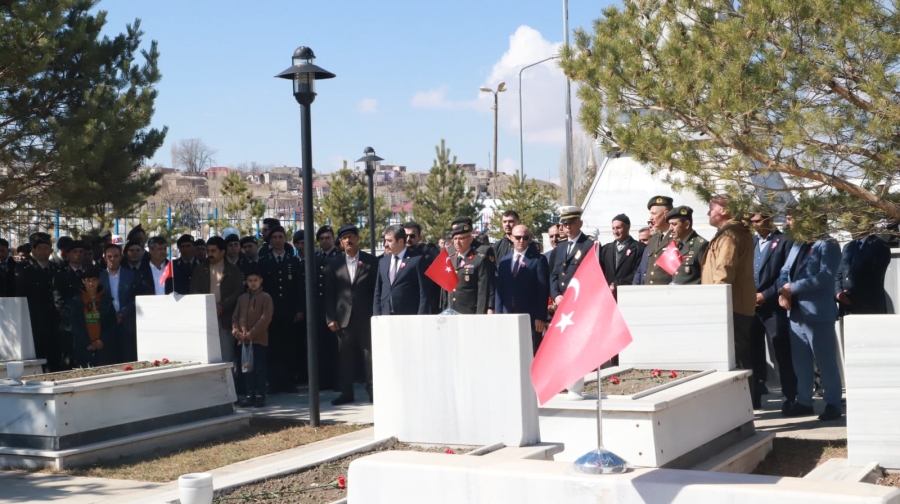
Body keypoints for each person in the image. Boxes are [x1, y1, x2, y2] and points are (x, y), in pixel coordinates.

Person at [778, 211, 843, 421]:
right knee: (801, 362)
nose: (788, 221)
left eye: (791, 218)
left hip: (817, 312)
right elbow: (784, 271)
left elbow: (825, 277)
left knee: (825, 361)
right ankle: (804, 401)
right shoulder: (797, 244)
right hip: (795, 312)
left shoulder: (828, 244)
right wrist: (782, 292)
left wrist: (792, 288)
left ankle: (833, 402)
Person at [701, 195, 756, 380]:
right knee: (739, 355)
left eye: (711, 208)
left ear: (723, 210)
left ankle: (745, 403)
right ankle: (748, 401)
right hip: (734, 305)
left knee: (737, 358)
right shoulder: (731, 232)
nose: (708, 213)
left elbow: (724, 272)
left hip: (731, 307)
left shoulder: (730, 235)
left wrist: (715, 305)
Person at [325, 225, 379, 405]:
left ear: (357, 238)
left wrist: (376, 314)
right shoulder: (335, 264)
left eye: (351, 237)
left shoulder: (371, 261)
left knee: (369, 355)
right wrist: (330, 317)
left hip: (366, 317)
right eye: (344, 238)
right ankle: (346, 392)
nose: (348, 240)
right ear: (340, 242)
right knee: (345, 356)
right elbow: (330, 293)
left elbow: (376, 290)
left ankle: (373, 391)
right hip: (343, 318)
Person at [750, 211, 796, 412]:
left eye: (758, 221)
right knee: (753, 353)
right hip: (751, 306)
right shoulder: (751, 242)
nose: (755, 225)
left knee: (781, 352)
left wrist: (766, 295)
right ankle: (754, 396)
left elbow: (785, 273)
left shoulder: (784, 241)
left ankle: (789, 396)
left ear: (768, 220)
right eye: (752, 222)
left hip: (772, 305)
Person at [258, 226, 305, 392]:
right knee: (272, 347)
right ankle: (274, 382)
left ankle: (288, 382)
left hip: (289, 311)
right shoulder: (264, 261)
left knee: (289, 347)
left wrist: (300, 309)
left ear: (285, 239)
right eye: (274, 237)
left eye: (280, 237)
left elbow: (300, 287)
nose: (278, 240)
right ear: (270, 241)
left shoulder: (293, 262)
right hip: (270, 312)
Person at [190, 236, 245, 365]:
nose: (210, 254)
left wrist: (222, 306)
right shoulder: (200, 269)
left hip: (226, 317)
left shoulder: (232, 269)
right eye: (208, 251)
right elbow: (194, 290)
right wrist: (210, 306)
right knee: (207, 356)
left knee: (227, 355)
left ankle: (229, 384)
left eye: (213, 251)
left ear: (222, 252)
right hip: (206, 316)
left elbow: (238, 291)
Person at [495, 225, 549, 354]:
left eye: (525, 238)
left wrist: (540, 317)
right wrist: (498, 315)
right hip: (508, 314)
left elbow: (543, 290)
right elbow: (500, 290)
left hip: (530, 316)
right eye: (518, 237)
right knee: (509, 349)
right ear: (511, 238)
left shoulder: (538, 260)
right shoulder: (504, 261)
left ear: (529, 238)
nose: (521, 241)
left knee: (530, 350)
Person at [16, 233, 61, 370]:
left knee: (55, 356)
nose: (43, 251)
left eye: (46, 247)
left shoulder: (57, 269)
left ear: (51, 250)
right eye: (39, 248)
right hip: (35, 321)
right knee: (38, 356)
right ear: (33, 251)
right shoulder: (25, 271)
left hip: (55, 321)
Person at [232, 266, 273, 408]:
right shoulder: (242, 298)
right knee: (246, 368)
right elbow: (235, 317)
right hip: (243, 341)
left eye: (256, 280)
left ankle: (260, 395)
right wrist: (237, 333)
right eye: (250, 281)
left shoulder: (266, 297)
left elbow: (265, 318)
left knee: (259, 368)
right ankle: (250, 395)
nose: (253, 283)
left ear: (261, 281)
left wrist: (252, 333)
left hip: (259, 340)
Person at [68, 266, 117, 368]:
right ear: (83, 281)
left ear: (99, 281)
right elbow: (74, 325)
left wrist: (104, 340)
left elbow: (112, 324)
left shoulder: (106, 300)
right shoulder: (76, 301)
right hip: (83, 349)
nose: (91, 283)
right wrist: (86, 343)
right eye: (88, 280)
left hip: (103, 349)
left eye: (94, 280)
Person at [374, 225, 428, 315]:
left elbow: (424, 294)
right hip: (386, 316)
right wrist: (377, 315)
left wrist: (420, 318)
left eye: (390, 241)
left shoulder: (416, 260)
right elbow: (378, 292)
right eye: (385, 240)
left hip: (408, 317)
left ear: (401, 241)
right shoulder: (383, 262)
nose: (386, 244)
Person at [445, 220, 496, 314]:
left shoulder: (479, 260)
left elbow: (483, 292)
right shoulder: (450, 259)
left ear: (470, 239)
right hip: (452, 311)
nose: (457, 242)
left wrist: (480, 315)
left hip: (469, 312)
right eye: (455, 239)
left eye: (461, 238)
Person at [550, 206, 596, 306]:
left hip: (580, 302)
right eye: (565, 224)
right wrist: (556, 295)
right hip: (561, 302)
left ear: (580, 223)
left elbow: (592, 276)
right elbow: (554, 274)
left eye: (571, 223)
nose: (568, 227)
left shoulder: (589, 245)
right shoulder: (561, 246)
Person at [835, 231, 891, 315]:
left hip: (868, 306)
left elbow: (876, 277)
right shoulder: (848, 246)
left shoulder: (880, 246)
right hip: (846, 306)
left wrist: (851, 293)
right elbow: (838, 273)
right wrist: (838, 293)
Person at [99, 244, 138, 363]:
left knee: (128, 358)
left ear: (121, 257)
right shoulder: (99, 277)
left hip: (127, 323)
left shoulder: (131, 275)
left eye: (116, 256)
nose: (112, 259)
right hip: (106, 324)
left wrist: (122, 314)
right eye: (109, 256)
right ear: (105, 258)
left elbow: (135, 298)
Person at [53, 240, 88, 370]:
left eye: (81, 252)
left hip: (89, 321)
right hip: (69, 324)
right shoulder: (60, 274)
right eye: (74, 252)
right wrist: (71, 316)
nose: (78, 254)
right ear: (67, 254)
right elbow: (58, 300)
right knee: (68, 358)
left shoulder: (90, 273)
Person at [633, 196, 674, 285]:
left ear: (666, 214)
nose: (650, 218)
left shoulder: (675, 239)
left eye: (654, 214)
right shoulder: (654, 239)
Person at [600, 214, 645, 293]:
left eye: (618, 228)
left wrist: (617, 284)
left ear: (628, 227)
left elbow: (637, 272)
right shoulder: (606, 249)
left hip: (628, 293)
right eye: (613, 228)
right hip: (609, 296)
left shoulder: (639, 248)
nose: (615, 231)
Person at [404, 220, 442, 314]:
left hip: (428, 300)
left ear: (419, 237)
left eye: (412, 236)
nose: (408, 239)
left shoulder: (428, 250)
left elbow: (439, 266)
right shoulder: (400, 255)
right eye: (406, 236)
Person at [664, 206, 707, 285]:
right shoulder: (677, 245)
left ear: (687, 224)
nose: (670, 228)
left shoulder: (700, 245)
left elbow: (707, 276)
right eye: (669, 224)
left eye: (674, 224)